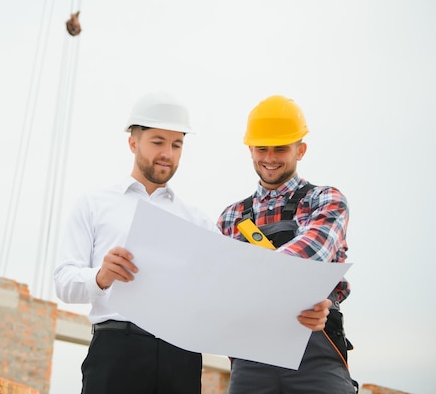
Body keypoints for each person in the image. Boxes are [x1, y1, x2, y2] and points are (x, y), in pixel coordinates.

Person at [54, 91, 332, 394]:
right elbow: (64, 281)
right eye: (158, 142)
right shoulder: (95, 205)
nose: (167, 154)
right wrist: (100, 277)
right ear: (133, 142)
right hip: (117, 351)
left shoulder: (197, 222)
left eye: (176, 144)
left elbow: (236, 288)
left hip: (181, 357)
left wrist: (300, 309)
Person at [217, 94, 358, 394]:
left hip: (314, 348)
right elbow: (217, 286)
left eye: (280, 148)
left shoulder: (324, 200)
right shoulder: (230, 217)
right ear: (250, 150)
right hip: (251, 355)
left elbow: (310, 255)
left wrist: (248, 282)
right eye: (261, 148)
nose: (270, 157)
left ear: (301, 149)